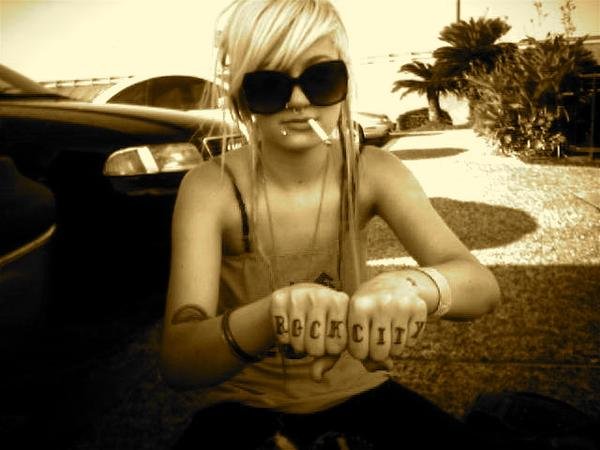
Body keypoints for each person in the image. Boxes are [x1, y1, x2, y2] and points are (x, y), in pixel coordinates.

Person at [160, 0, 502, 448]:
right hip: (244, 406)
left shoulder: (373, 172)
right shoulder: (211, 188)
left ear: (345, 82)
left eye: (320, 77)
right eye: (269, 84)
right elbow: (180, 359)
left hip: (362, 390)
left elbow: (481, 287)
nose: (298, 100)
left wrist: (413, 287)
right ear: (240, 96)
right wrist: (270, 316)